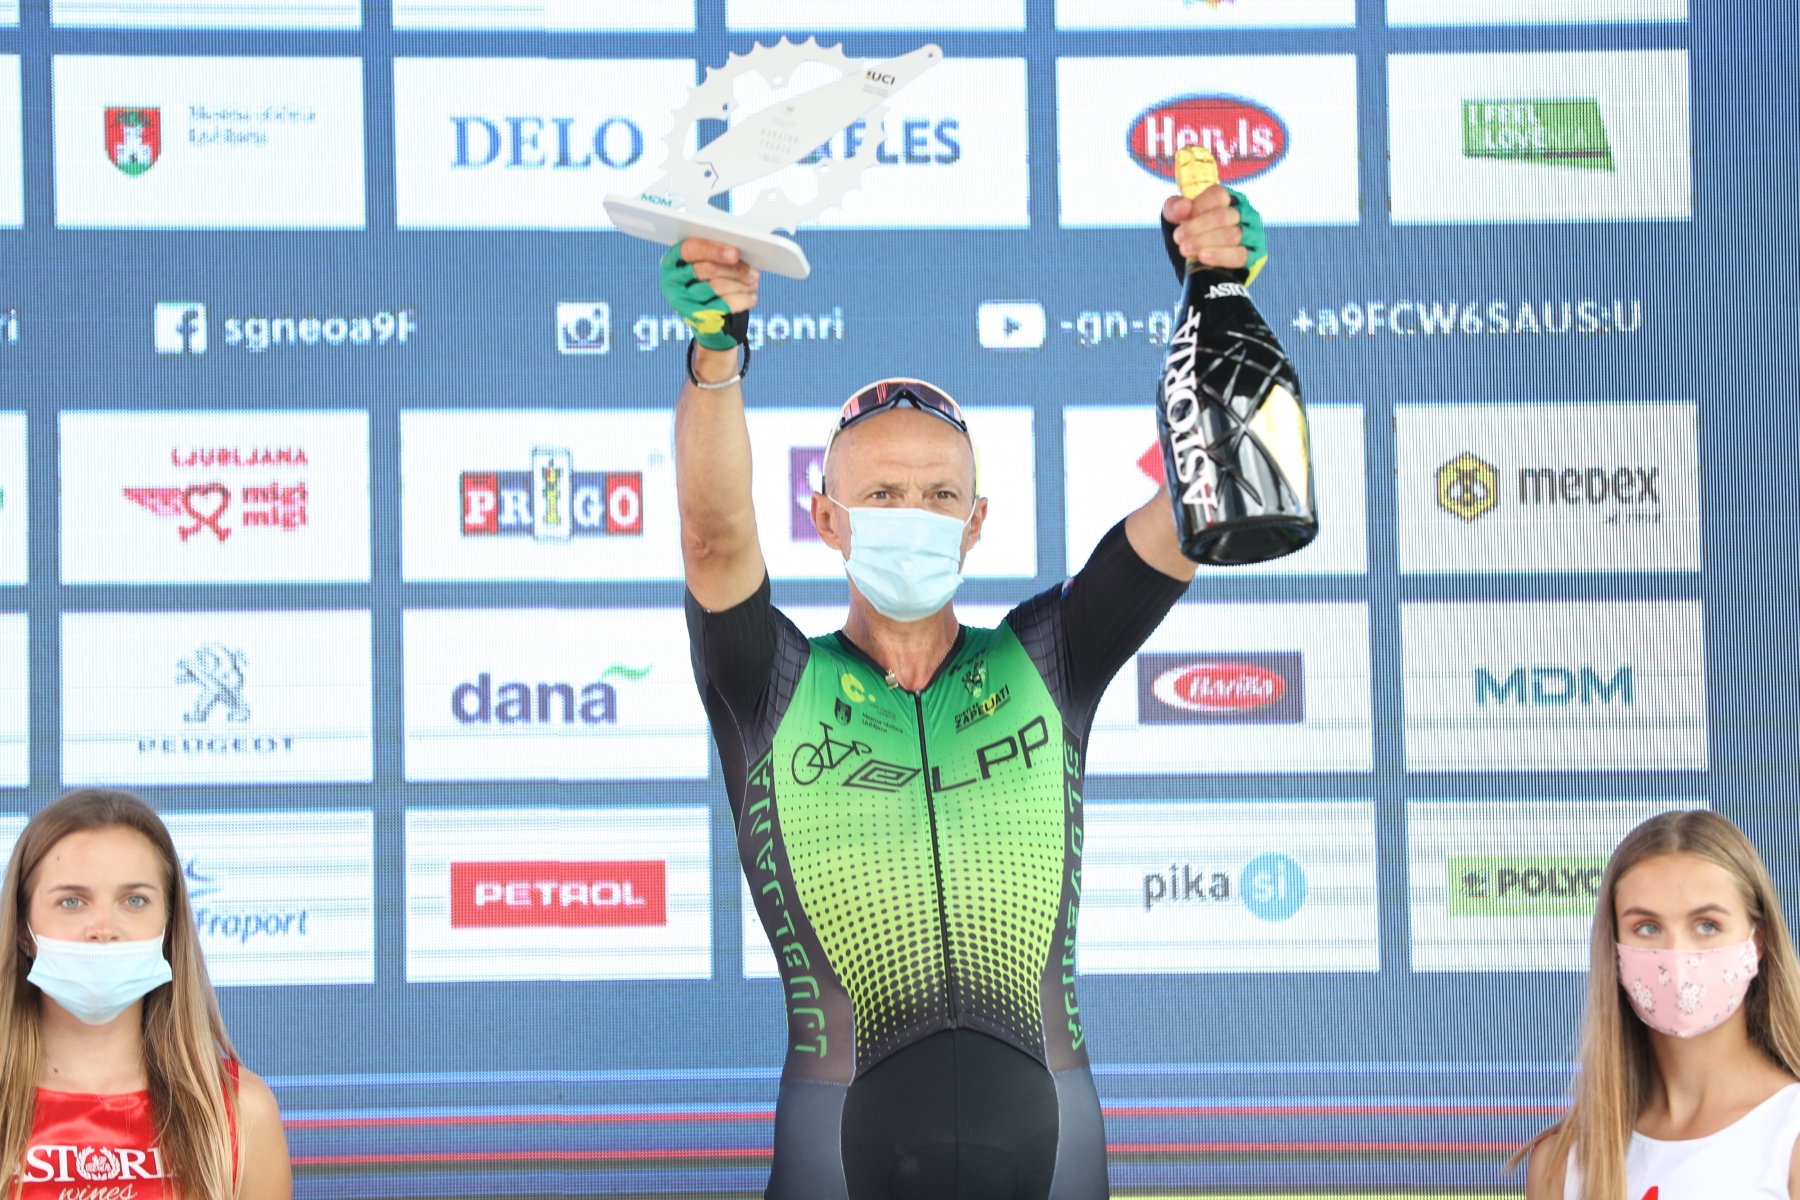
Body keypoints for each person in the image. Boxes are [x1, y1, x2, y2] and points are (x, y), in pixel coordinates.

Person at [666, 181, 1264, 1200]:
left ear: (976, 519)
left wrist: (1220, 296)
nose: (915, 512)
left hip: (1050, 1130)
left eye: (940, 493)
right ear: (826, 518)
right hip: (837, 1136)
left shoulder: (1047, 655)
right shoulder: (772, 682)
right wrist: (716, 356)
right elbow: (714, 539)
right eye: (882, 494)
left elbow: (1206, 501)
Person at [0, 789, 291, 1199]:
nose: (103, 928)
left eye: (134, 900)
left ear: (169, 926)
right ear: (22, 929)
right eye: (72, 901)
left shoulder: (242, 1115)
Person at [1519, 809, 1800, 1199]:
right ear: (1614, 948)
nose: (1675, 956)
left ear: (1758, 940)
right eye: (1647, 927)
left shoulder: (1790, 1137)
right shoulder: (1563, 1163)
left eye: (1707, 925)